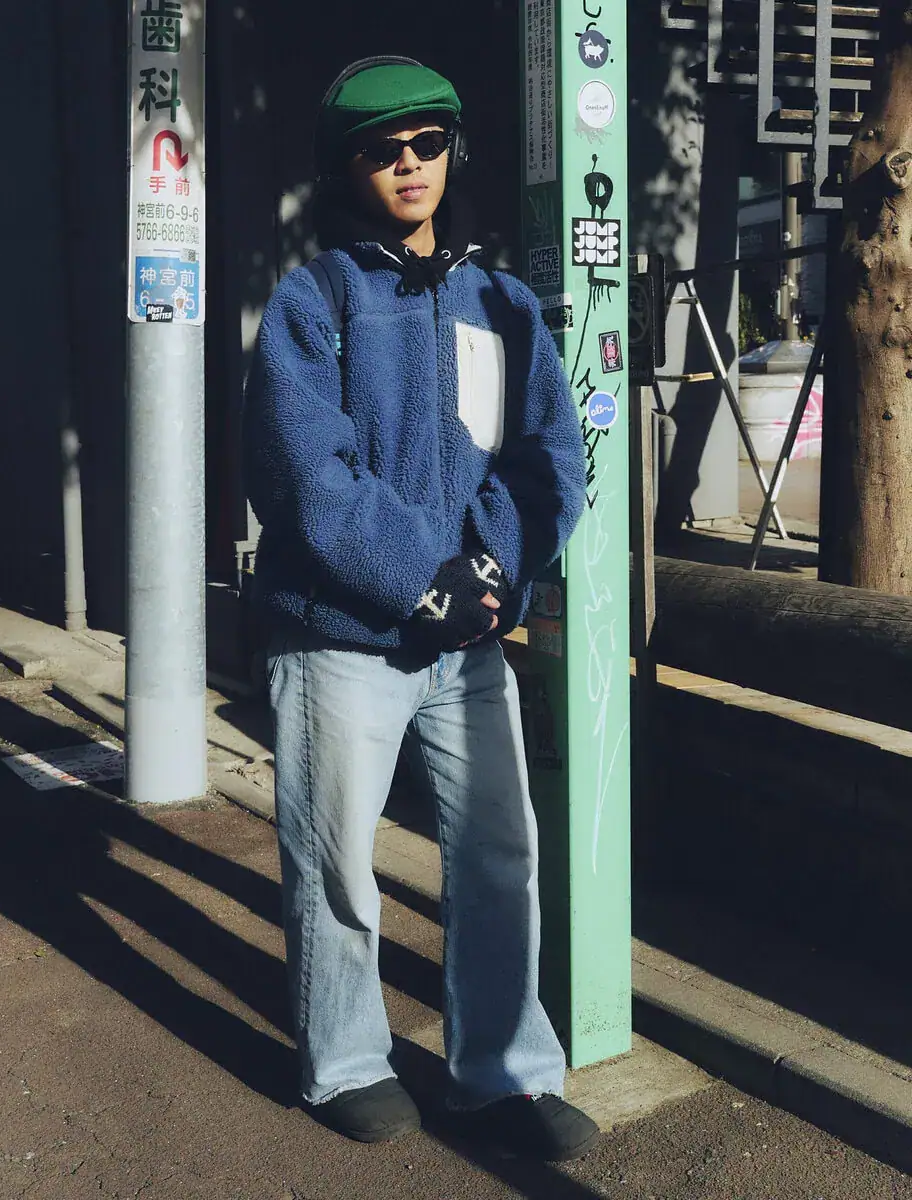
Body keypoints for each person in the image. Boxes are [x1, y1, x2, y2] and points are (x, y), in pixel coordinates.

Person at [243, 56, 594, 1161]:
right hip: (340, 638)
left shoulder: (503, 302)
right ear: (346, 168)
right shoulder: (314, 299)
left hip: (468, 640)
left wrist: (490, 568)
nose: (409, 163)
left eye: (427, 142)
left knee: (499, 854)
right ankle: (346, 1062)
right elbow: (308, 474)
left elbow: (550, 458)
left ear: (453, 152)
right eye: (382, 149)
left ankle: (502, 1072)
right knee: (337, 864)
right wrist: (424, 578)